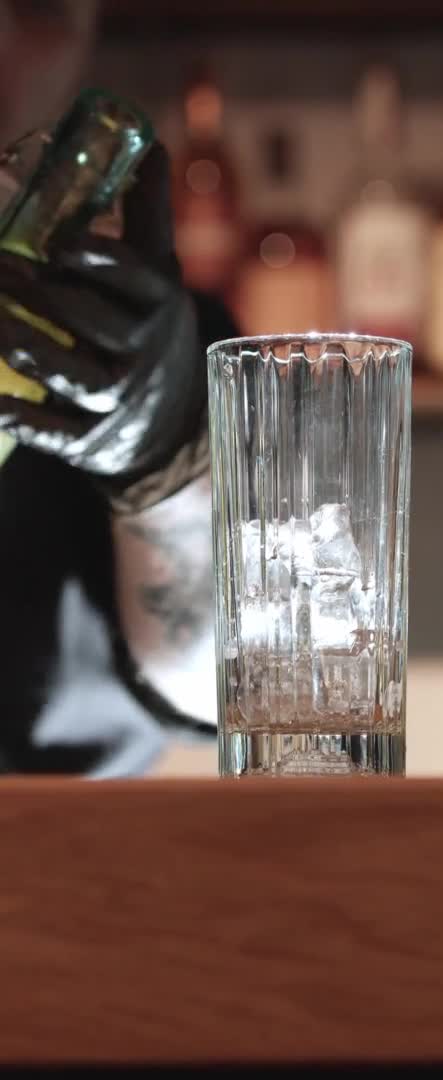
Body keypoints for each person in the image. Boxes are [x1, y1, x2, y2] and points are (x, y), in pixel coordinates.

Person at [0, 4, 238, 775]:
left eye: (37, 6)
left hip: (67, 874)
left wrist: (163, 467)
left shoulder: (155, 335)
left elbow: (230, 694)